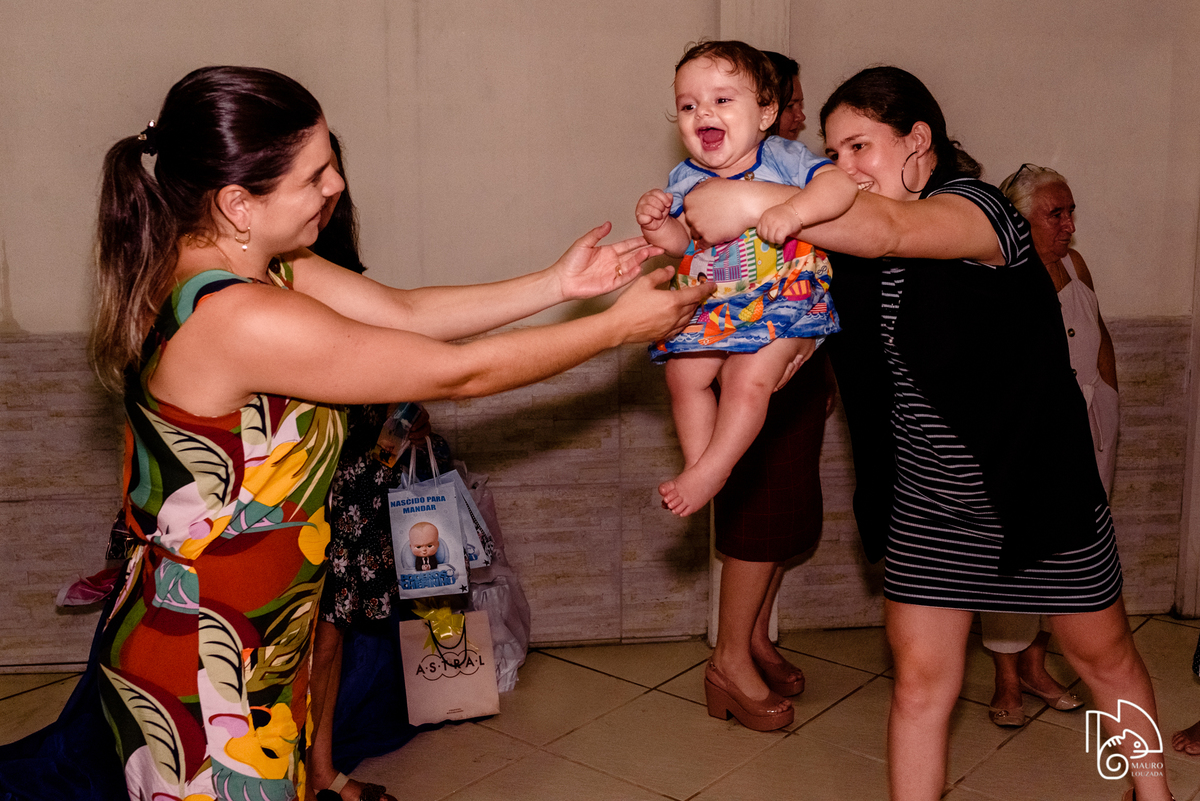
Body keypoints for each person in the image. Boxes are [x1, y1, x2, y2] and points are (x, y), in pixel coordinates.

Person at [91, 65, 710, 801]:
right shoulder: (239, 315)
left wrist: (557, 286)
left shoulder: (257, 268)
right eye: (314, 173)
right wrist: (612, 330)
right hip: (206, 658)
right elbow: (458, 374)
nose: (335, 186)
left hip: (252, 635)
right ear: (237, 202)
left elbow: (406, 312)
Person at [682, 65, 1172, 801]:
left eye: (859, 148)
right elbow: (810, 321)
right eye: (833, 152)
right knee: (918, 687)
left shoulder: (979, 210)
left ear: (919, 141)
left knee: (1104, 659)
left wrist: (749, 198)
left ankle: (1153, 788)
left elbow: (891, 231)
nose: (841, 169)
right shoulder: (845, 248)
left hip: (1035, 492)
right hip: (927, 507)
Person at [635, 40, 856, 520]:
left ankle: (715, 467)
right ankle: (704, 466)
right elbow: (682, 241)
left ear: (765, 111)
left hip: (784, 297)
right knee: (683, 374)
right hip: (717, 301)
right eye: (688, 105)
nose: (702, 114)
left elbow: (839, 186)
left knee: (747, 378)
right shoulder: (685, 176)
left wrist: (793, 208)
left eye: (721, 100)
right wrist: (657, 224)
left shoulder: (784, 157)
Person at [705, 48, 835, 734]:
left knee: (788, 514)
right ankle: (729, 660)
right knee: (757, 513)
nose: (800, 115)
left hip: (798, 356)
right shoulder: (728, 180)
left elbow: (819, 266)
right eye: (791, 103)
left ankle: (751, 637)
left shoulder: (793, 172)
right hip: (754, 360)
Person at [975, 164, 1120, 728]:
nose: (1068, 224)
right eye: (1054, 213)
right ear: (1020, 219)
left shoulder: (1075, 265)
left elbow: (1098, 333)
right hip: (1032, 434)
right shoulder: (1003, 277)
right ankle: (1007, 679)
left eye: (1071, 211)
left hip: (1089, 424)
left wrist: (1109, 399)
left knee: (1066, 555)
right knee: (1018, 558)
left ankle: (1036, 667)